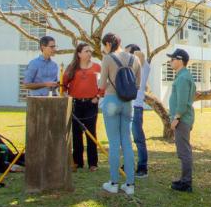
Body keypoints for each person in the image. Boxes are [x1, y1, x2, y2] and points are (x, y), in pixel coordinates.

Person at [98, 32, 141, 195]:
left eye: (104, 45)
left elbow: (102, 84)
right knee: (127, 143)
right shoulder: (134, 59)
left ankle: (114, 182)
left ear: (108, 44)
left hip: (111, 100)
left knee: (114, 143)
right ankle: (130, 185)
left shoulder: (108, 58)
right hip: (128, 103)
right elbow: (137, 84)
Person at [62, 43, 102, 172]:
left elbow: (103, 84)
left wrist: (98, 97)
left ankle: (93, 163)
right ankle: (78, 162)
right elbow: (64, 84)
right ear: (79, 54)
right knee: (76, 134)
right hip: (75, 104)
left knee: (91, 133)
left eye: (90, 51)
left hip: (91, 104)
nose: (89, 53)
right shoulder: (71, 68)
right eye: (86, 51)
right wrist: (65, 96)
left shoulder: (97, 67)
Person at [167, 48, 196, 193]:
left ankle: (186, 183)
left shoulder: (183, 78)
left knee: (184, 152)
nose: (170, 62)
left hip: (182, 119)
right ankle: (185, 180)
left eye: (172, 59)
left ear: (179, 60)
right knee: (184, 151)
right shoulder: (182, 76)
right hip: (183, 119)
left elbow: (183, 102)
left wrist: (176, 118)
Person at [126, 43, 150, 178]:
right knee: (127, 138)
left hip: (137, 107)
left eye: (128, 53)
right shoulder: (130, 67)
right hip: (127, 105)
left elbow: (140, 55)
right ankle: (129, 164)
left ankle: (142, 167)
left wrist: (132, 53)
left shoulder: (143, 64)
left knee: (138, 138)